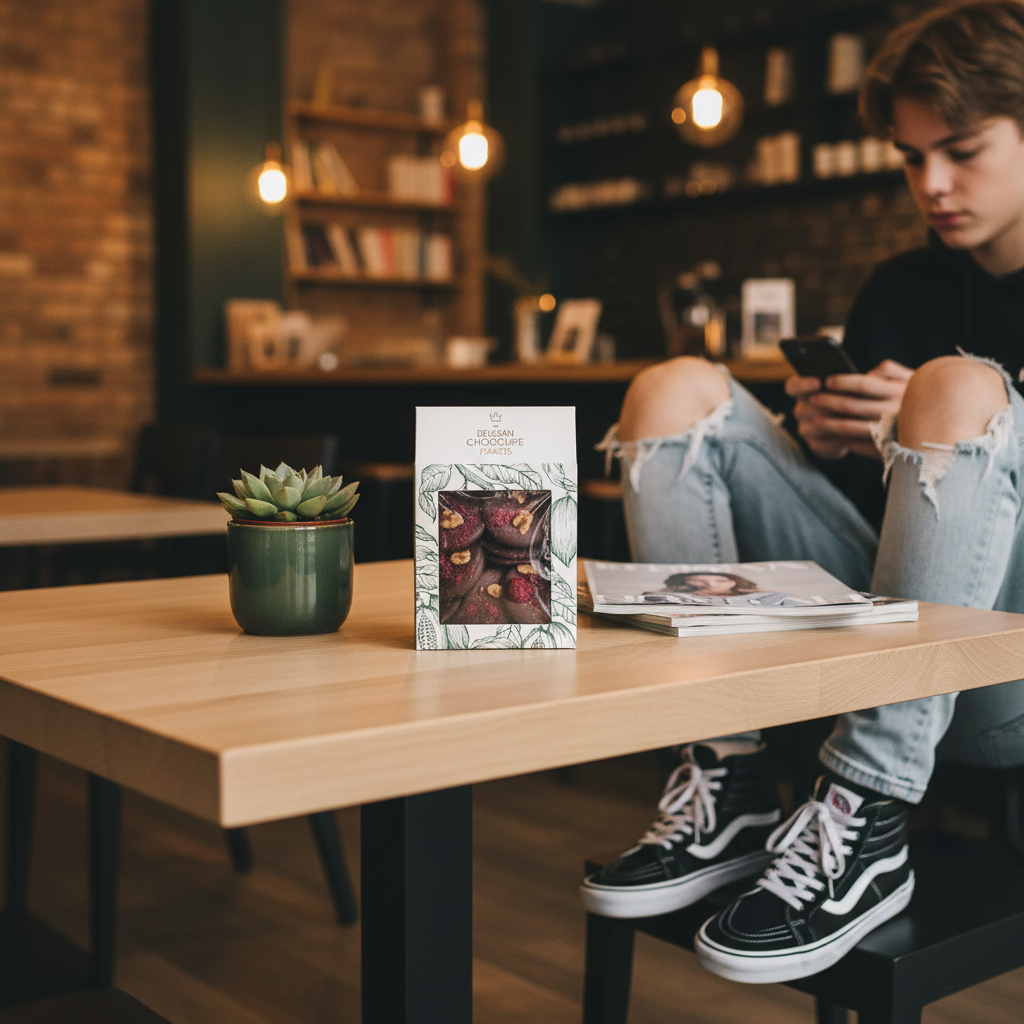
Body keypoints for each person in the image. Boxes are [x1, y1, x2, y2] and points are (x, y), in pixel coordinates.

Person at [581, 0, 1024, 985]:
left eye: (960, 149)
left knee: (954, 383)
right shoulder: (903, 283)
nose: (932, 184)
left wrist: (941, 407)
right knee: (673, 388)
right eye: (910, 159)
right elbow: (867, 527)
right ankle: (725, 766)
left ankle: (865, 810)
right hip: (878, 630)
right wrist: (836, 438)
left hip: (1003, 671)